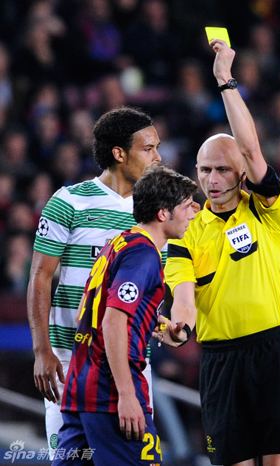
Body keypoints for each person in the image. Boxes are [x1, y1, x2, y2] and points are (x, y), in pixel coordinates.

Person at [159, 39, 280, 466]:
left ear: (241, 172)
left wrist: (225, 81)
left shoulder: (266, 210)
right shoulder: (185, 233)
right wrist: (179, 328)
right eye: (204, 170)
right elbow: (184, 296)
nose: (212, 179)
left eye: (222, 169)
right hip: (221, 362)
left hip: (271, 352)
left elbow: (251, 147)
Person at [27, 107, 162, 457]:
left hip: (130, 362)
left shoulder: (153, 215)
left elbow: (137, 295)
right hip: (69, 359)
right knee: (72, 459)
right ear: (119, 153)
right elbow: (40, 278)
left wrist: (162, 325)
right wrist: (42, 350)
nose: (158, 157)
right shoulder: (68, 201)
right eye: (148, 148)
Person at [53, 164, 197, 465]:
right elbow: (114, 319)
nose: (193, 213)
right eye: (185, 206)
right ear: (162, 213)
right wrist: (127, 394)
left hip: (81, 384)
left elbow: (94, 306)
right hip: (110, 391)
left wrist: (151, 322)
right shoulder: (144, 254)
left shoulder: (119, 242)